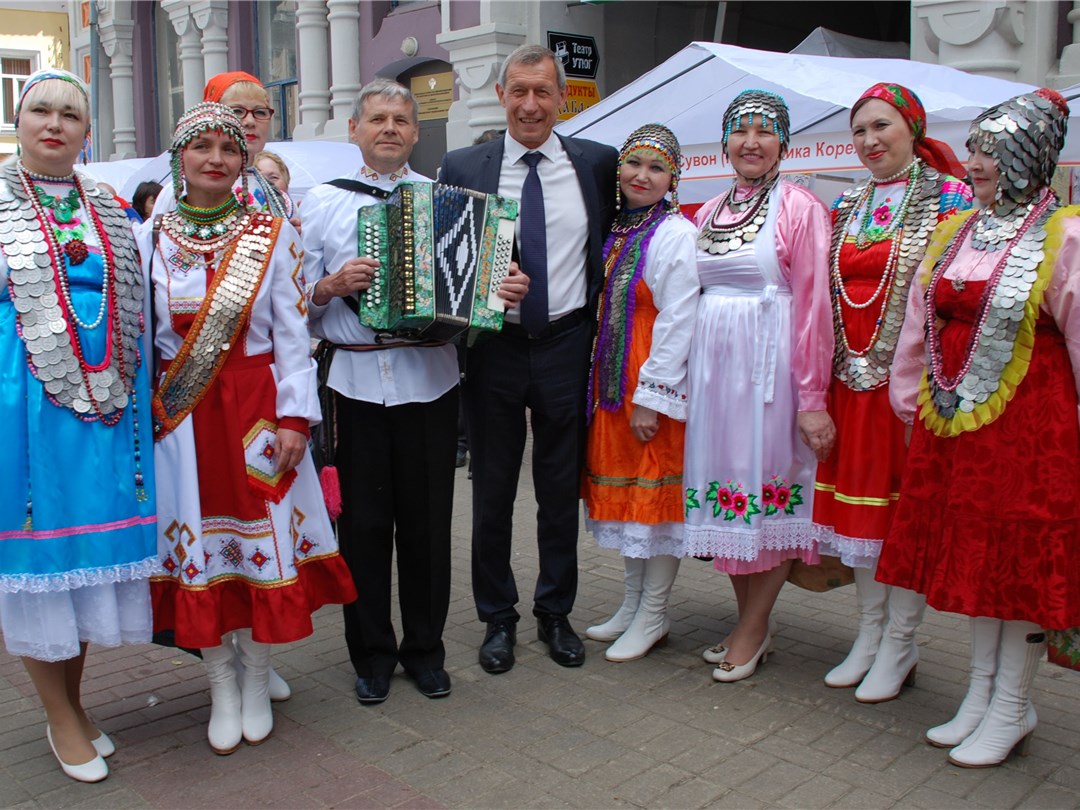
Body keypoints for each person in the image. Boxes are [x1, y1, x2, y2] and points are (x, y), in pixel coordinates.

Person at [303, 78, 529, 704]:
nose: (390, 129)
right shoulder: (319, 203)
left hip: (431, 383)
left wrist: (502, 292)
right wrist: (327, 287)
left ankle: (425, 650)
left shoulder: (448, 200)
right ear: (354, 129)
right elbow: (292, 303)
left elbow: (483, 300)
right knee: (366, 529)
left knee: (429, 526)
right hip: (352, 382)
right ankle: (372, 655)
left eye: (401, 120)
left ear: (416, 132)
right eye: (377, 119)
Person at [140, 102, 355, 755]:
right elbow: (142, 340)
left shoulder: (271, 230)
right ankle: (220, 685)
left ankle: (258, 678)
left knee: (264, 548)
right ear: (179, 158)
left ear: (240, 161)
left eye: (226, 148)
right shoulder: (151, 235)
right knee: (198, 553)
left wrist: (296, 417)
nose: (214, 157)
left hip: (259, 416)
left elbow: (294, 337)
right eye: (199, 146)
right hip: (181, 424)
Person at [878, 87, 1080, 768]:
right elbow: (920, 321)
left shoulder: (1067, 236)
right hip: (959, 423)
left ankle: (1014, 704)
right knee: (975, 561)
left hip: (1032, 429)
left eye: (988, 150)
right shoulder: (959, 229)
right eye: (973, 149)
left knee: (1015, 565)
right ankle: (981, 691)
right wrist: (910, 401)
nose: (974, 161)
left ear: (1027, 155)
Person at [438, 45, 618, 674]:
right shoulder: (463, 164)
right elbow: (445, 264)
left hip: (568, 344)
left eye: (543, 92)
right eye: (519, 91)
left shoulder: (596, 164)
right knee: (490, 490)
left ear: (562, 97)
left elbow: (611, 255)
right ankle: (497, 617)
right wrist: (487, 287)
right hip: (496, 349)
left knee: (558, 487)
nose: (531, 104)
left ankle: (554, 611)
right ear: (501, 95)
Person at [0, 68, 156, 783]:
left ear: (86, 131)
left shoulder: (106, 203)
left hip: (103, 401)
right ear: (20, 120)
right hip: (22, 405)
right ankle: (59, 715)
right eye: (41, 111)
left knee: (84, 562)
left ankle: (76, 702)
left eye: (69, 114)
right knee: (40, 562)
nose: (55, 124)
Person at [812, 83, 973, 702]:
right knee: (858, 518)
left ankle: (901, 644)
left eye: (881, 126)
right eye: (858, 131)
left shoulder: (951, 200)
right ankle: (869, 631)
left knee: (899, 521)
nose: (869, 141)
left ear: (912, 126)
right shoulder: (848, 203)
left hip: (910, 390)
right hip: (849, 382)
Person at [683, 90, 834, 683]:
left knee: (766, 491)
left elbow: (815, 307)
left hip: (771, 374)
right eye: (740, 131)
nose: (751, 142)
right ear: (725, 143)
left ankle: (753, 626)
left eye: (764, 132)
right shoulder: (709, 210)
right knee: (730, 495)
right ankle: (750, 622)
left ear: (783, 144)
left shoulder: (800, 208)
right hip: (715, 376)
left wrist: (813, 397)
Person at [582, 124, 699, 662]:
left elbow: (680, 314)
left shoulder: (674, 232)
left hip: (650, 376)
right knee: (627, 500)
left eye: (656, 168)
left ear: (672, 178)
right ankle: (631, 603)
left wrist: (654, 393)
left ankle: (654, 612)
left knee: (653, 499)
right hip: (613, 377)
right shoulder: (618, 228)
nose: (642, 176)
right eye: (634, 164)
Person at [152, 71, 295, 223]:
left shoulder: (272, 192)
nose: (250, 121)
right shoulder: (181, 192)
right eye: (237, 111)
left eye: (260, 112)